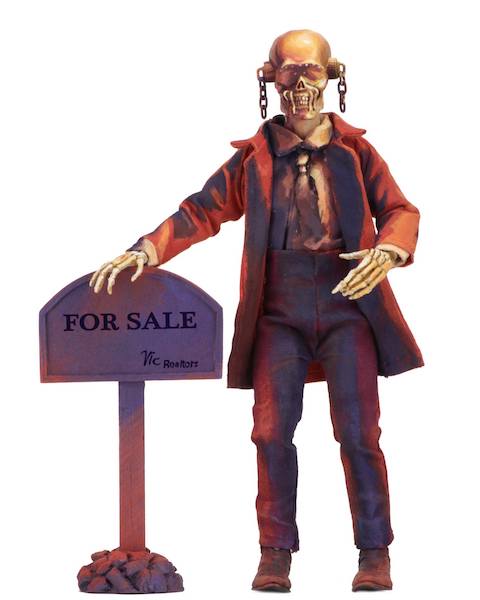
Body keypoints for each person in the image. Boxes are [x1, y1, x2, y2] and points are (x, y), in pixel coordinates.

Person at [90, 29, 423, 592]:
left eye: (311, 71)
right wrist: (146, 250)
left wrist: (389, 249)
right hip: (277, 311)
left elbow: (400, 209)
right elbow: (202, 210)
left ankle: (374, 551)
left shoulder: (357, 152)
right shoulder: (254, 159)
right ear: (269, 77)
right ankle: (275, 552)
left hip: (348, 304)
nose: (301, 85)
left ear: (332, 75)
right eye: (289, 71)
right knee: (269, 433)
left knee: (359, 431)